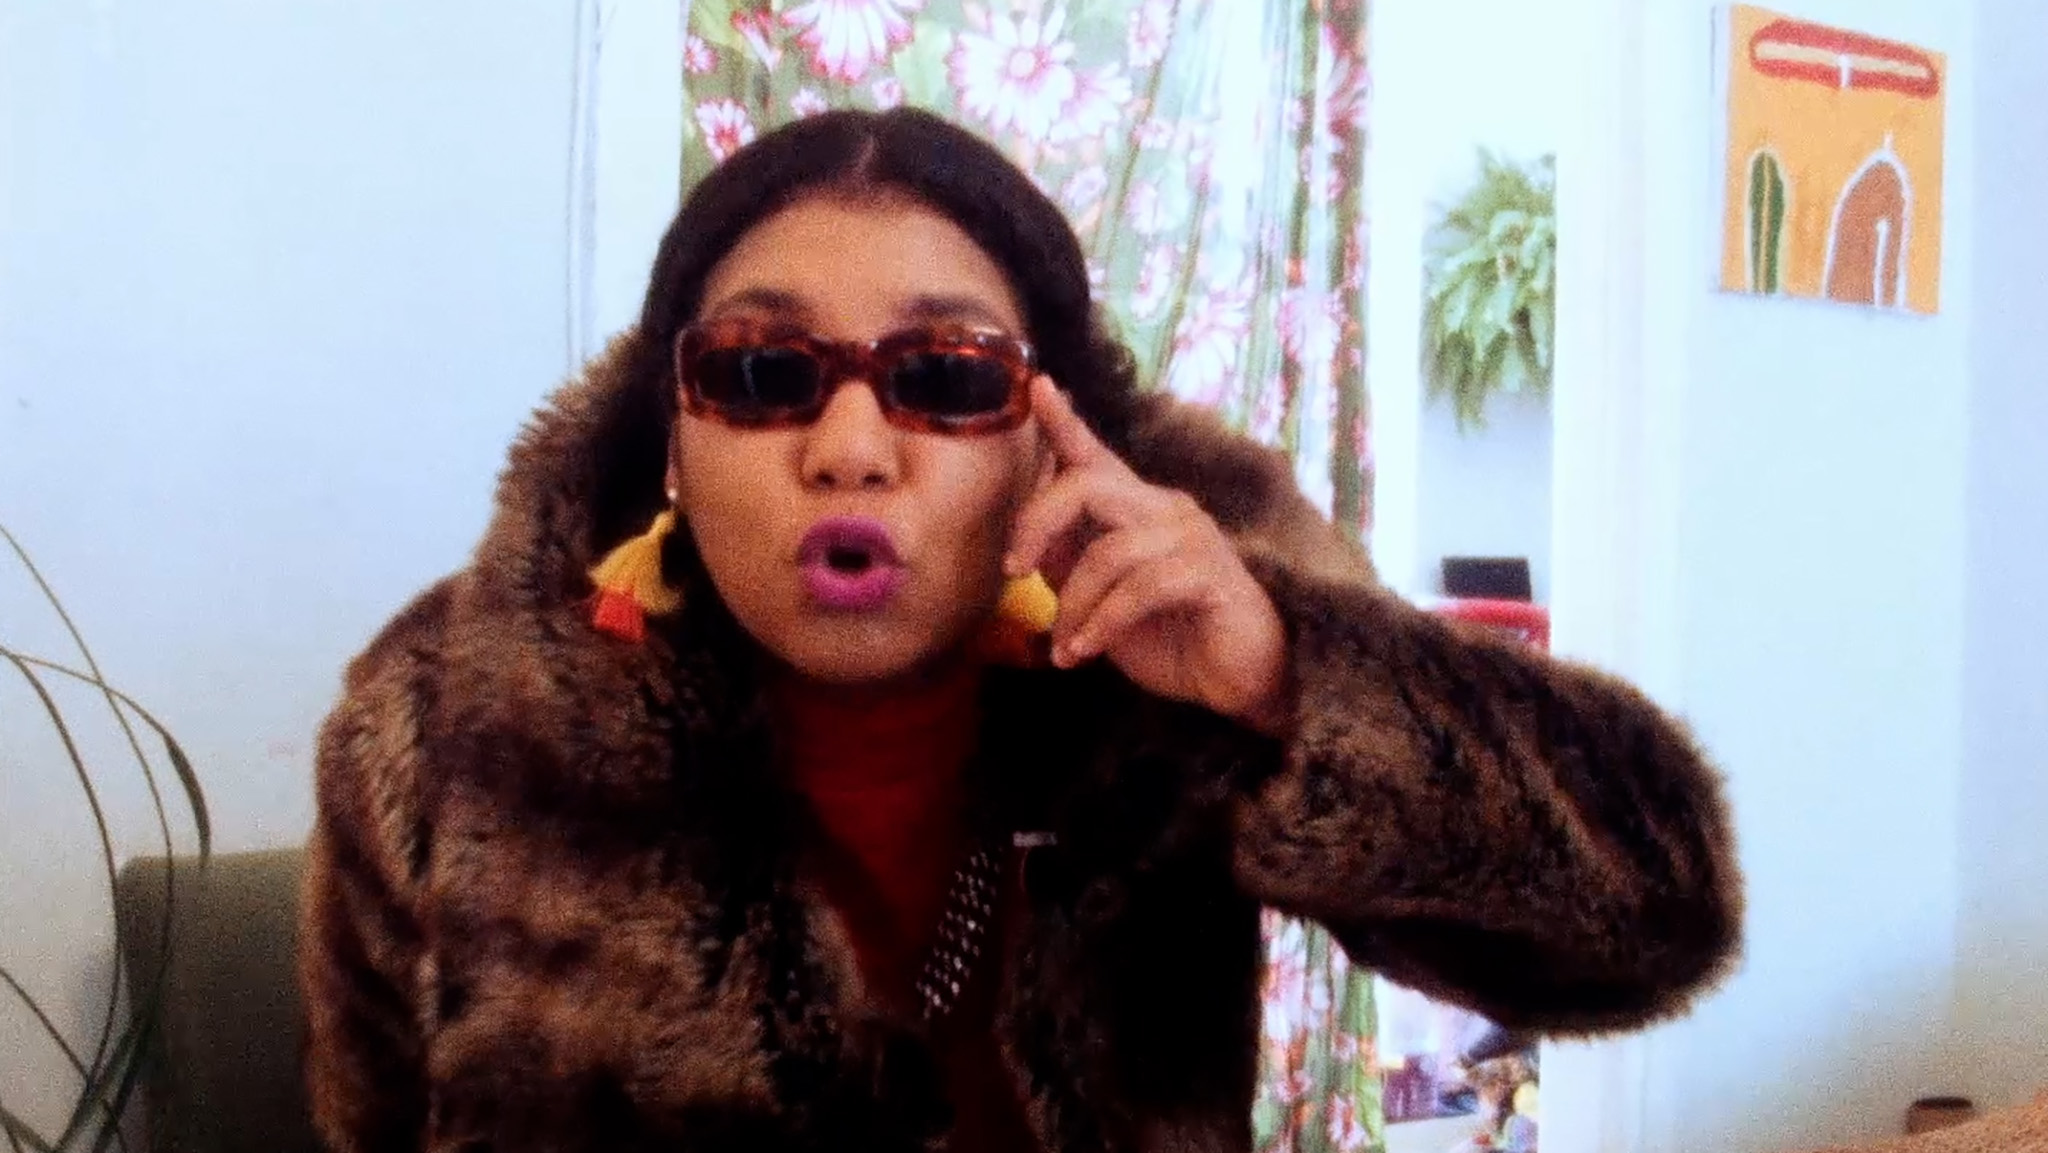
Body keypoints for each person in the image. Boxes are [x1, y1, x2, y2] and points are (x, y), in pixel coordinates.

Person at [298, 107, 1740, 1153]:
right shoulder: (445, 725)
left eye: (944, 375)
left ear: (1050, 440)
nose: (850, 448)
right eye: (763, 371)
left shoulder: (1182, 634)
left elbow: (1655, 919)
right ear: (671, 440)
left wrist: (1281, 679)